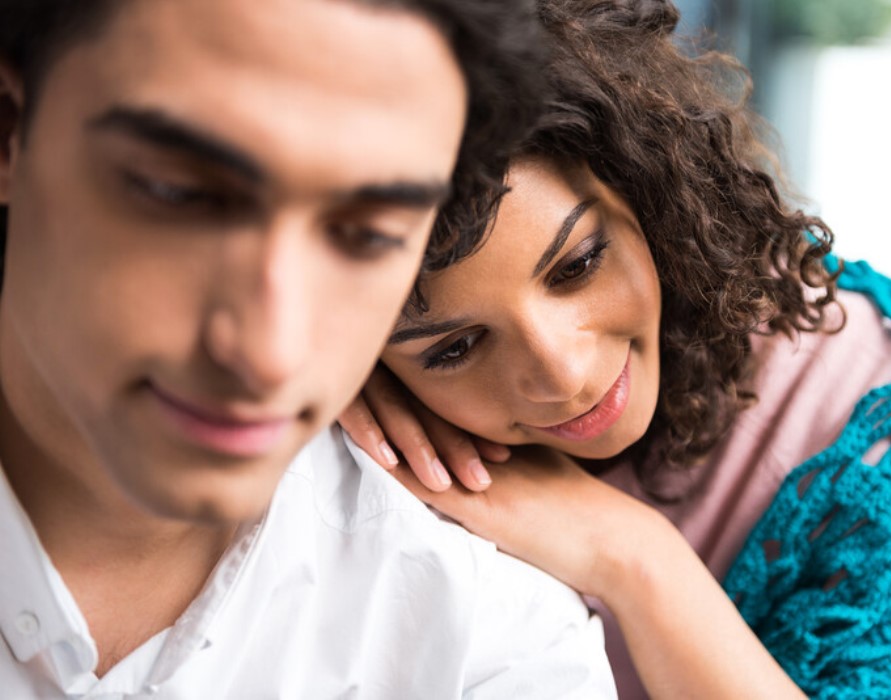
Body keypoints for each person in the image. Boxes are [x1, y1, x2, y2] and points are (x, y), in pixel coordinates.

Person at [341, 0, 891, 697]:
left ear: (644, 189)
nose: (564, 375)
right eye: (455, 348)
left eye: (577, 266)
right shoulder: (341, 439)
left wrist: (633, 557)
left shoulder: (861, 391)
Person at [0, 0, 618, 696]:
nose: (270, 355)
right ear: (9, 130)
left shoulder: (488, 640)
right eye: (177, 194)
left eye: (371, 234)